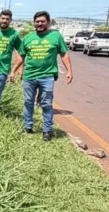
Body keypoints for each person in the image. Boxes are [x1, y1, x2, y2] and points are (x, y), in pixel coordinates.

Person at [9, 11, 73, 141]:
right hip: (29, 76)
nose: (40, 24)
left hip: (47, 76)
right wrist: (13, 71)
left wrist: (69, 71)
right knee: (28, 102)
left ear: (48, 23)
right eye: (37, 22)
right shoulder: (28, 37)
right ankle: (28, 127)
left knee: (46, 103)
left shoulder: (55, 36)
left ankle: (47, 130)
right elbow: (21, 55)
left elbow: (64, 54)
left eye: (43, 21)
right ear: (34, 23)